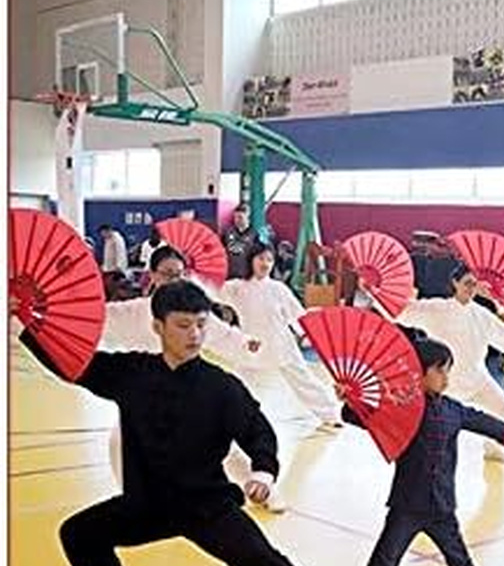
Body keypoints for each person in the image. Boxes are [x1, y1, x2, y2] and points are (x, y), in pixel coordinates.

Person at [17, 280, 343, 566]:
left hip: (206, 506)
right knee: (79, 533)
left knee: (263, 561)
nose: (195, 335)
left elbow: (259, 432)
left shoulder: (222, 388)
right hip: (147, 504)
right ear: (158, 326)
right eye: (183, 325)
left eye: (201, 325)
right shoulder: (132, 373)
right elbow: (74, 365)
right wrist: (26, 325)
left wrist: (263, 471)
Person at [344, 337, 504, 566]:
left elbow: (479, 420)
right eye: (440, 370)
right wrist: (350, 399)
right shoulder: (400, 408)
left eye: (448, 371)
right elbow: (361, 416)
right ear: (419, 373)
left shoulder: (452, 409)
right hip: (407, 504)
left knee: (455, 549)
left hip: (442, 503)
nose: (446, 378)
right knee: (386, 558)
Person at [100, 245, 272, 505]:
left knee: (220, 442)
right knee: (122, 441)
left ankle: (261, 486)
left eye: (180, 274)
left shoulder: (192, 311)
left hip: (191, 388)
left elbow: (223, 334)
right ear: (153, 275)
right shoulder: (134, 311)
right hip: (149, 395)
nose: (175, 280)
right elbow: (97, 318)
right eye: (168, 274)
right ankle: (138, 499)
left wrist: (245, 342)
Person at [392, 262, 504, 463]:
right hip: (446, 379)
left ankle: (494, 450)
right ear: (455, 283)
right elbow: (403, 311)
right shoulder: (437, 308)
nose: (471, 288)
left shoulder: (480, 313)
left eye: (474, 284)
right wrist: (377, 294)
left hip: (476, 375)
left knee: (501, 405)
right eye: (467, 283)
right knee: (437, 425)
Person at [219, 242, 343, 432]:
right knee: (239, 385)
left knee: (304, 380)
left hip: (281, 344)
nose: (265, 263)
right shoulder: (236, 287)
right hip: (252, 347)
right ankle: (232, 420)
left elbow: (298, 315)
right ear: (251, 260)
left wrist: (309, 333)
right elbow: (211, 290)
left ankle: (331, 414)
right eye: (261, 258)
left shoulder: (279, 289)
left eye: (269, 259)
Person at [223, 203, 261, 281]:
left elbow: (259, 255)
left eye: (240, 217)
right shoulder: (227, 233)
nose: (237, 220)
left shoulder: (255, 234)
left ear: (247, 216)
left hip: (247, 275)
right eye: (235, 217)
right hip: (229, 274)